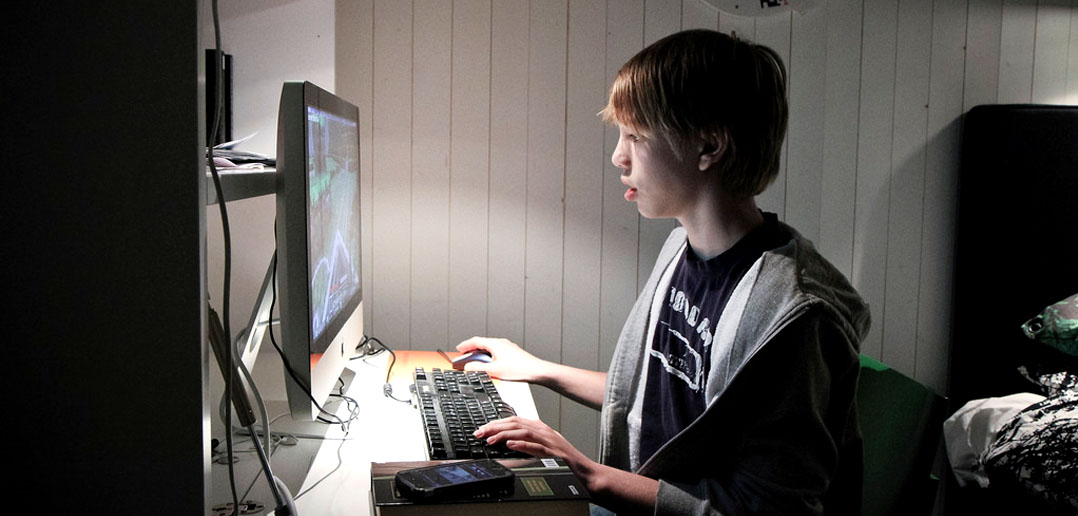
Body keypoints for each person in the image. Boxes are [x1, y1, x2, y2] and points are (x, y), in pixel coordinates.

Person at [460, 29, 870, 515]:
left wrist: (586, 474)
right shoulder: (683, 246)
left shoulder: (794, 317)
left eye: (635, 136)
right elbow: (657, 393)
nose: (619, 156)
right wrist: (539, 370)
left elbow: (764, 509)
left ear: (709, 145)